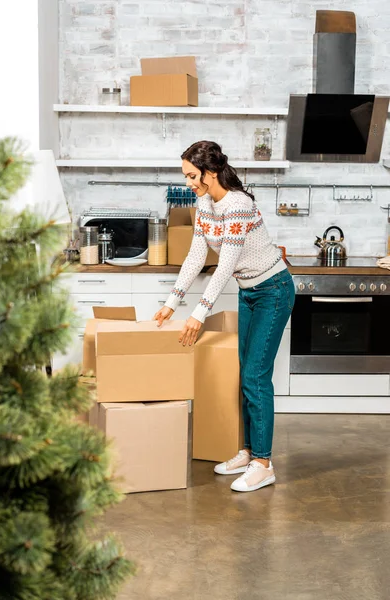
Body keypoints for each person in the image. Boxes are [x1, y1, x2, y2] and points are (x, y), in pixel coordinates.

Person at [153, 140, 295, 493]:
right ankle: (248, 452)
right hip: (249, 293)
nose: (188, 182)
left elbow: (226, 264)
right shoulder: (205, 203)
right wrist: (172, 302)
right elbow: (196, 256)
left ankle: (264, 463)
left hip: (274, 292)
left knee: (255, 377)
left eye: (191, 175)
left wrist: (198, 314)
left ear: (210, 172)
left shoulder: (238, 204)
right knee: (246, 372)